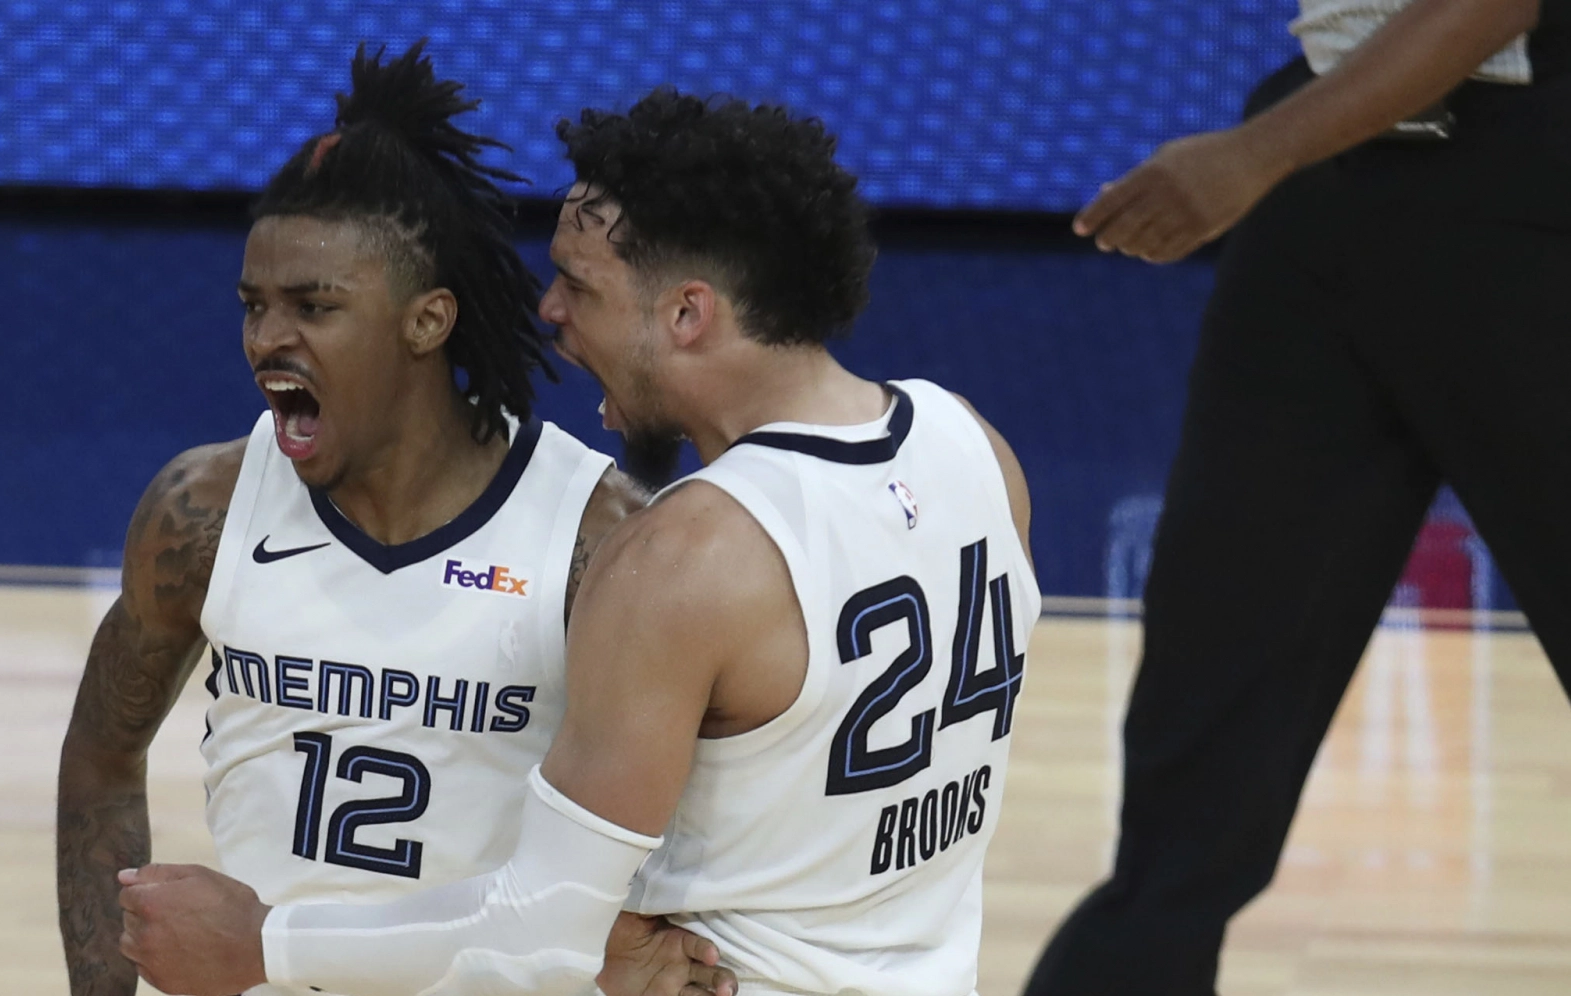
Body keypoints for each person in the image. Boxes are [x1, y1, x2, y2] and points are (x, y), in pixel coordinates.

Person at [110, 88, 1039, 996]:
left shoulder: (682, 558)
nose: (548, 310)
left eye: (580, 285)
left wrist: (261, 943)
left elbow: (537, 930)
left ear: (687, 314)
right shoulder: (971, 448)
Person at [54, 46, 731, 996]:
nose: (266, 339)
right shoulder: (200, 512)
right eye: (253, 306)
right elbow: (101, 759)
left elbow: (684, 839)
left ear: (427, 320)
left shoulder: (596, 538)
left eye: (313, 306)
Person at [1022, 1, 1571, 993]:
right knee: (1214, 674)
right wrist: (1279, 148)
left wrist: (1257, 153)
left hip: (1522, 185)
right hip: (1326, 170)